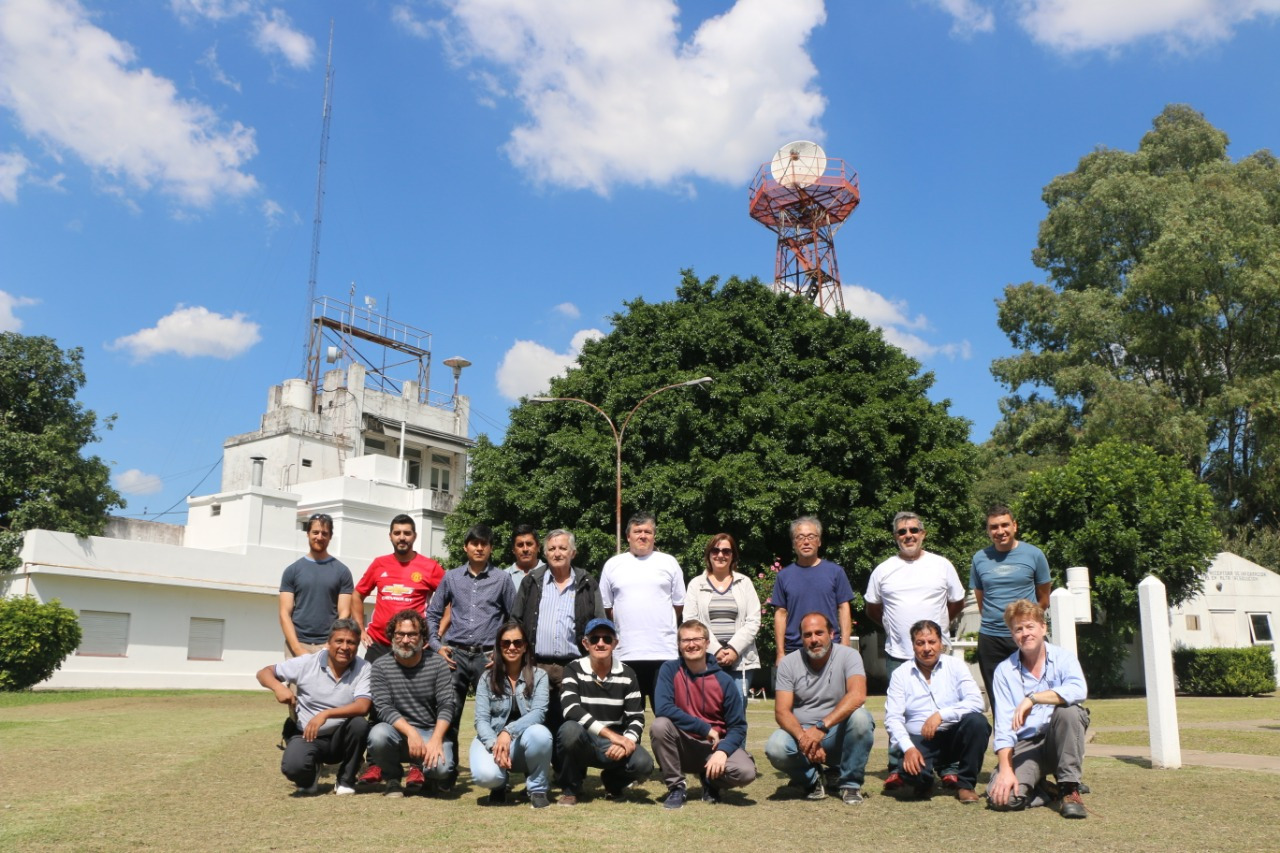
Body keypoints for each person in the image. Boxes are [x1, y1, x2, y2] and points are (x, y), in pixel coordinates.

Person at [865, 511, 965, 785]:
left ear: (923, 534)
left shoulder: (942, 565)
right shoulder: (884, 569)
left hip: (937, 654)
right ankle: (897, 767)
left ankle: (949, 767)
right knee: (898, 711)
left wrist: (940, 628)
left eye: (913, 530)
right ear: (895, 537)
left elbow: (956, 602)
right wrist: (893, 626)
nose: (908, 535)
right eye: (901, 532)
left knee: (945, 707)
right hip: (899, 654)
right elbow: (873, 608)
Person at [426, 523, 516, 779]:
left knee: (496, 716)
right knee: (449, 713)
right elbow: (433, 613)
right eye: (474, 543)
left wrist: (502, 651)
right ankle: (447, 774)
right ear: (466, 547)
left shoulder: (502, 579)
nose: (479, 548)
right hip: (455, 655)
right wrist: (436, 644)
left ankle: (499, 776)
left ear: (490, 549)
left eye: (484, 544)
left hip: (489, 657)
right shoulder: (451, 577)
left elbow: (513, 620)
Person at [987, 600, 1089, 819]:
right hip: (1026, 745)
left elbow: (1079, 689)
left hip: (1059, 742)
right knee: (1002, 799)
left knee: (1069, 711)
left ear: (1043, 627)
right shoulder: (1004, 672)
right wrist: (1005, 770)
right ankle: (1044, 789)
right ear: (1012, 634)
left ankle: (1069, 788)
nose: (1025, 633)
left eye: (1030, 626)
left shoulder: (1064, 658)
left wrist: (1032, 699)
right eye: (1018, 629)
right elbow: (1004, 726)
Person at [765, 612, 875, 805]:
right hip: (803, 734)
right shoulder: (788, 664)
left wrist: (821, 728)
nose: (814, 639)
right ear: (801, 638)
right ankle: (812, 780)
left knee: (861, 718)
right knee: (776, 746)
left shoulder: (850, 656)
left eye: (819, 633)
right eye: (807, 635)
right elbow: (782, 711)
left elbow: (857, 695)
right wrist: (804, 739)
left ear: (831, 634)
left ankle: (850, 784)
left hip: (835, 732)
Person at [256, 618, 371, 796]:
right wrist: (278, 687)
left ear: (357, 646)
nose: (345, 647)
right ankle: (311, 774)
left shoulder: (364, 668)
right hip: (308, 734)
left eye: (351, 642)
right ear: (328, 642)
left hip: (341, 738)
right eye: (339, 641)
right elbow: (264, 673)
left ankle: (345, 780)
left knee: (359, 724)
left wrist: (326, 714)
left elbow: (363, 706)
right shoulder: (306, 663)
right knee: (293, 768)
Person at [650, 619, 757, 809]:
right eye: (685, 640)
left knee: (746, 771)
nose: (691, 644)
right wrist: (704, 727)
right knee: (659, 725)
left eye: (697, 639)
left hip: (713, 748)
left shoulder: (724, 681)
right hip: (683, 744)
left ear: (707, 643)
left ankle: (711, 781)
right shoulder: (669, 670)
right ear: (679, 646)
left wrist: (723, 752)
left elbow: (738, 727)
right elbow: (663, 708)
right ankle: (676, 787)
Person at [882, 619, 989, 803]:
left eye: (932, 642)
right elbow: (893, 718)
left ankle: (965, 785)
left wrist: (941, 715)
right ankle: (924, 782)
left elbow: (976, 701)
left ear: (941, 643)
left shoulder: (955, 666)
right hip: (920, 739)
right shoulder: (901, 674)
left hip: (953, 735)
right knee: (911, 774)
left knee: (977, 722)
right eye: (920, 643)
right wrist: (908, 748)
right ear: (913, 646)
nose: (926, 648)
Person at [512, 528, 604, 739]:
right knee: (537, 722)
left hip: (573, 666)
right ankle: (538, 770)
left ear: (573, 552)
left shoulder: (587, 583)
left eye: (563, 548)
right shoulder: (531, 581)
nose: (557, 553)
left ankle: (571, 772)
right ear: (545, 553)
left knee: (572, 723)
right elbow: (515, 620)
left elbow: (598, 624)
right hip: (536, 665)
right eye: (552, 548)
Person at [556, 617, 654, 805]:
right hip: (585, 739)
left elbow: (636, 717)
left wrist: (626, 741)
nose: (600, 643)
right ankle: (571, 788)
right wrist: (612, 736)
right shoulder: (573, 669)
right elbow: (571, 708)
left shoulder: (628, 673)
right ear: (586, 643)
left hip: (614, 744)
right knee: (569, 730)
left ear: (615, 643)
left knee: (644, 764)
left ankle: (612, 782)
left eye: (607, 639)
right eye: (594, 639)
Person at [599, 511, 685, 710]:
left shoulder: (669, 562)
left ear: (654, 536)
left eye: (648, 531)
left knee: (666, 715)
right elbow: (607, 607)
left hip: (663, 653)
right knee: (627, 715)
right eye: (637, 531)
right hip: (626, 653)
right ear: (628, 536)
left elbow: (679, 604)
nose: (643, 536)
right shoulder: (613, 565)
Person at [366, 609, 456, 797]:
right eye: (400, 634)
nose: (405, 640)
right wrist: (410, 732)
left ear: (423, 638)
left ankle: (427, 775)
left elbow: (447, 705)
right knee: (377, 735)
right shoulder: (380, 666)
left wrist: (436, 738)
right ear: (392, 636)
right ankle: (392, 778)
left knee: (441, 768)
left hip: (429, 731)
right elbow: (383, 707)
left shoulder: (438, 664)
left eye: (412, 634)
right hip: (397, 733)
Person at [970, 505, 1051, 705]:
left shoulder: (1034, 555)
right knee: (999, 698)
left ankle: (1035, 737)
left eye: (1005, 525)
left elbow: (1044, 599)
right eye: (994, 527)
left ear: (1014, 526)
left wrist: (1026, 625)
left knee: (1035, 693)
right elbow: (982, 602)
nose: (1000, 531)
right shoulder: (979, 559)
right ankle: (1004, 737)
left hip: (1027, 637)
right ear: (988, 531)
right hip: (991, 639)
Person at [469, 621, 554, 809]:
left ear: (525, 647)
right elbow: (481, 720)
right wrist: (494, 744)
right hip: (493, 739)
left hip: (521, 743)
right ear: (499, 647)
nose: (512, 647)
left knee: (540, 733)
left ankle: (537, 789)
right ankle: (499, 784)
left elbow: (539, 713)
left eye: (517, 642)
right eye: (506, 643)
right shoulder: (487, 678)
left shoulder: (539, 676)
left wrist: (508, 731)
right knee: (486, 776)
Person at [353, 514, 445, 664]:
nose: (402, 537)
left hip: (413, 645)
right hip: (379, 644)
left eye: (407, 533)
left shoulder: (430, 567)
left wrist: (436, 635)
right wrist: (361, 630)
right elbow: (357, 595)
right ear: (390, 536)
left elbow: (451, 601)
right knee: (372, 687)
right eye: (397, 533)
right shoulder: (379, 564)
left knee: (413, 688)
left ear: (414, 536)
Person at [683, 533, 762, 698]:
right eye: (715, 550)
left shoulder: (745, 583)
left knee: (737, 709)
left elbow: (753, 620)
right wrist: (716, 650)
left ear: (733, 555)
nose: (720, 555)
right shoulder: (696, 585)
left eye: (726, 551)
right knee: (706, 709)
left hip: (740, 661)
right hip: (705, 658)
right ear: (709, 554)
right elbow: (691, 622)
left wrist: (733, 649)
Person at [770, 516, 854, 663]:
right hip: (795, 650)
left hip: (830, 648)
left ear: (819, 541)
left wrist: (845, 644)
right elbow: (780, 614)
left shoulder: (835, 572)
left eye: (811, 536)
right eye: (800, 537)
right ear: (794, 544)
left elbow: (843, 607)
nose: (806, 542)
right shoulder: (783, 576)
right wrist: (780, 652)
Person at [278, 513, 352, 658]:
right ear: (307, 534)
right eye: (315, 532)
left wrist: (329, 644)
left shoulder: (342, 572)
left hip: (329, 645)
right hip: (298, 643)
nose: (319, 537)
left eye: (324, 533)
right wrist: (297, 648)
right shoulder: (292, 571)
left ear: (330, 536)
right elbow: (284, 613)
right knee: (295, 682)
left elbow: (345, 613)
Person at [506, 524, 544, 590]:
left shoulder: (551, 574)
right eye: (520, 545)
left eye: (529, 544)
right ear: (513, 549)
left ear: (538, 547)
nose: (525, 549)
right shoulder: (503, 577)